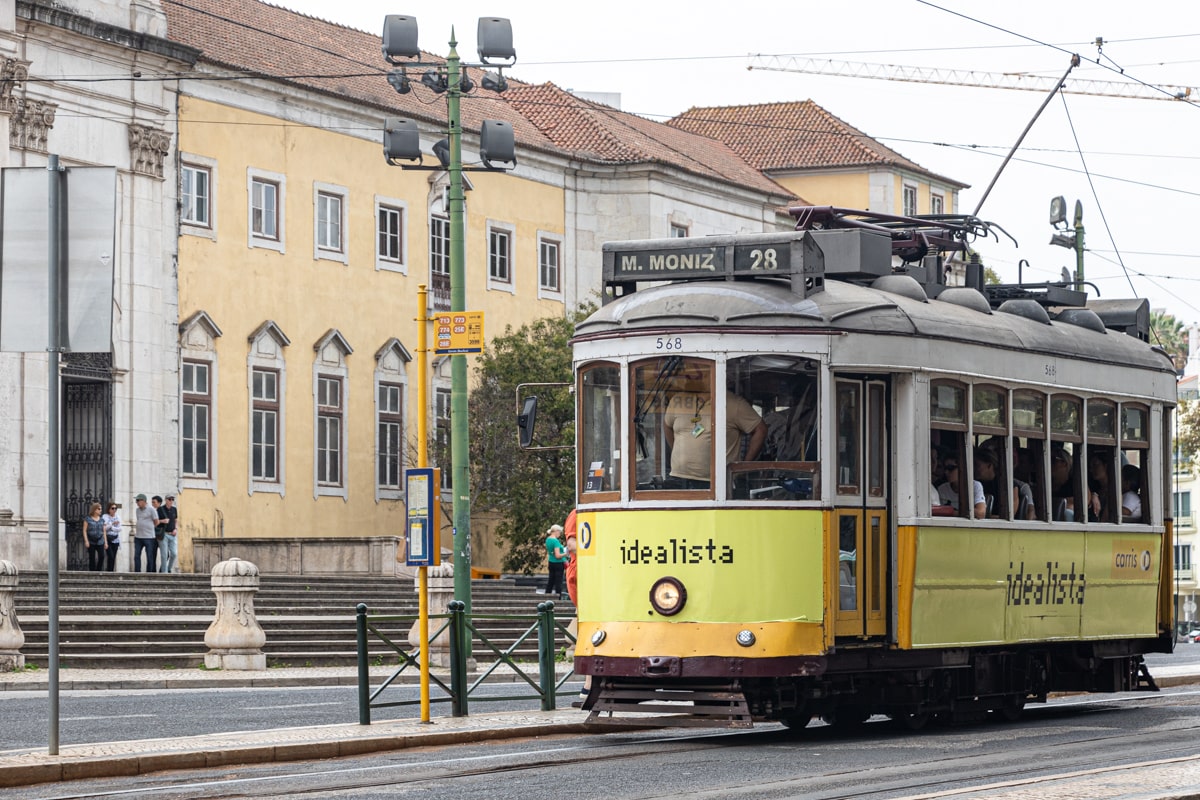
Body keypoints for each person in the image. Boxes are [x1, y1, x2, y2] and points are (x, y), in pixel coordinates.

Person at [663, 389, 766, 489]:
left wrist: (743, 466)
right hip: (678, 478)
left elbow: (760, 429)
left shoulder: (733, 403)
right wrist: (679, 452)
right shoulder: (679, 399)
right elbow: (667, 424)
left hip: (715, 483)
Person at [132, 494, 158, 573]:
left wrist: (149, 527)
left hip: (149, 537)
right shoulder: (137, 510)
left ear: (143, 501)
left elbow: (156, 522)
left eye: (138, 501)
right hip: (138, 536)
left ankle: (149, 573)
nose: (137, 502)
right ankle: (137, 572)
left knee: (149, 556)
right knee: (136, 556)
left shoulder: (151, 509)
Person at [1050, 447, 1077, 521]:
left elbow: (1083, 500)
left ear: (1064, 463)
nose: (1049, 463)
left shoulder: (1075, 483)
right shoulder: (1046, 483)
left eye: (1053, 460)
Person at [544, 523, 567, 600]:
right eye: (559, 532)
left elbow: (552, 552)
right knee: (558, 582)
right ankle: (558, 599)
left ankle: (546, 597)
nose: (560, 534)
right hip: (558, 563)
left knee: (550, 581)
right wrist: (566, 553)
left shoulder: (548, 540)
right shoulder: (556, 541)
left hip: (551, 562)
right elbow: (557, 555)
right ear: (556, 531)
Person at [83, 502, 107, 572]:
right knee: (92, 557)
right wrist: (86, 541)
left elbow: (104, 531)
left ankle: (98, 570)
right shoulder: (88, 519)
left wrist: (106, 542)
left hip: (100, 540)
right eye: (99, 509)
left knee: (102, 556)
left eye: (101, 509)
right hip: (91, 540)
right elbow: (84, 530)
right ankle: (92, 571)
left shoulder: (102, 520)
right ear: (94, 510)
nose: (100, 510)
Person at [159, 495, 179, 573]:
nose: (171, 501)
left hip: (173, 534)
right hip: (164, 534)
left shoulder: (174, 509)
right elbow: (156, 521)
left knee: (174, 554)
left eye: (172, 499)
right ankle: (165, 573)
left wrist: (176, 529)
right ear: (166, 500)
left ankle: (168, 568)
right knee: (164, 555)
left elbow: (176, 520)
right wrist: (163, 521)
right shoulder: (160, 509)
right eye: (170, 499)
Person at [101, 502, 123, 572]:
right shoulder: (105, 516)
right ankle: (109, 571)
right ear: (109, 509)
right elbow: (104, 528)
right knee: (110, 556)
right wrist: (112, 524)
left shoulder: (118, 517)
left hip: (116, 539)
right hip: (108, 539)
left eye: (115, 508)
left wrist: (112, 528)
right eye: (112, 508)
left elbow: (119, 529)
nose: (114, 510)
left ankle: (111, 572)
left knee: (113, 557)